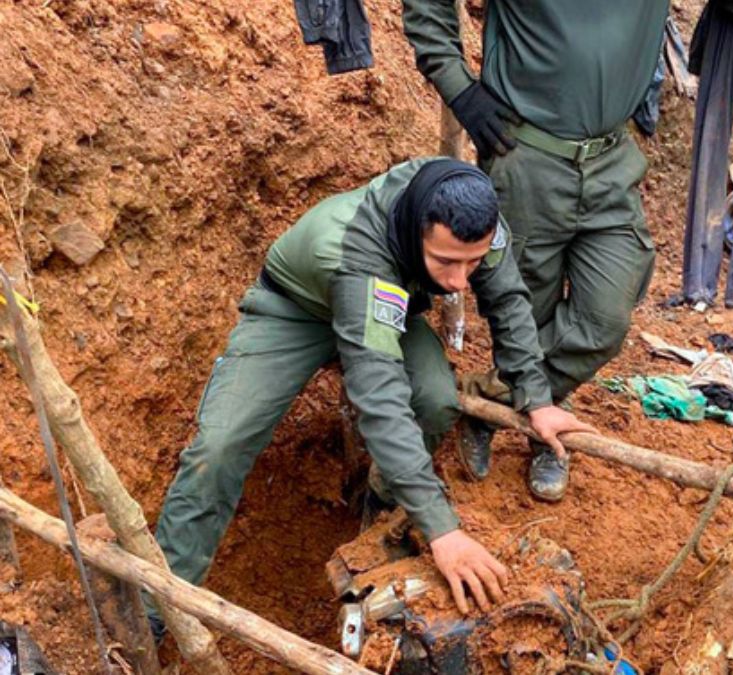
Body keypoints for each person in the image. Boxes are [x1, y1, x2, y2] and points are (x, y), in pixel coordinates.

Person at [402, 0, 733, 501]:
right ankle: (543, 433)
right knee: (526, 310)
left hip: (611, 162)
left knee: (604, 317)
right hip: (525, 156)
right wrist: (459, 88)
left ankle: (489, 403)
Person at [151, 158, 595, 628]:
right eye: (445, 262)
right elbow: (378, 399)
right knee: (219, 448)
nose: (459, 282)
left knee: (434, 399)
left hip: (392, 307)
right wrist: (443, 530)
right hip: (295, 310)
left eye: (473, 262)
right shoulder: (359, 255)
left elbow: (507, 300)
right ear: (412, 231)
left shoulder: (476, 213)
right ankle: (159, 606)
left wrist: (536, 398)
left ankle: (383, 508)